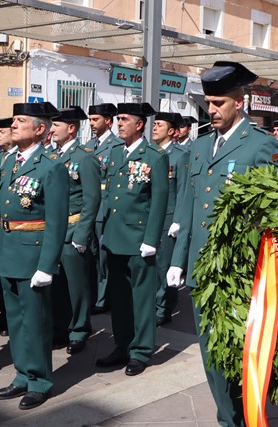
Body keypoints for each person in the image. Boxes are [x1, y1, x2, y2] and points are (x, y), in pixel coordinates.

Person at [167, 61, 278, 427]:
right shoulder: (200, 148)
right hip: (204, 272)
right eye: (208, 103)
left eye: (219, 103)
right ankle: (227, 419)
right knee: (211, 357)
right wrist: (177, 259)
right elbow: (187, 204)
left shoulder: (262, 147)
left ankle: (243, 418)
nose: (211, 111)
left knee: (240, 357)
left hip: (241, 273)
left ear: (240, 101)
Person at [0, 102, 69, 410]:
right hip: (9, 252)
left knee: (35, 322)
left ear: (40, 129)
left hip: (33, 255)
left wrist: (47, 265)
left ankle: (40, 381)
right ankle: (23, 374)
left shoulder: (52, 166)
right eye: (13, 120)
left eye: (20, 120)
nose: (13, 125)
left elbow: (57, 219)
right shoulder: (10, 162)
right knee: (16, 321)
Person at [96, 102, 168, 376]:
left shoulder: (154, 156)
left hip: (139, 240)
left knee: (141, 298)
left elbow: (159, 201)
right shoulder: (115, 153)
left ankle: (141, 351)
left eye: (124, 119)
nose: (118, 123)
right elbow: (111, 196)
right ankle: (122, 345)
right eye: (117, 119)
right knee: (120, 297)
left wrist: (151, 240)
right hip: (115, 238)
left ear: (139, 124)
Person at [50, 106, 101, 353]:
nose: (51, 130)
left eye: (56, 126)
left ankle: (79, 329)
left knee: (77, 286)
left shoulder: (84, 157)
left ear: (71, 129)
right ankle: (59, 328)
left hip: (73, 230)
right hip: (53, 232)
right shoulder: (52, 156)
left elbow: (92, 199)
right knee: (56, 285)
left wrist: (82, 234)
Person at [150, 112, 189, 327]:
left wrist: (179, 220)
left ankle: (163, 307)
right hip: (151, 217)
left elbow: (183, 190)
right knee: (151, 265)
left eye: (159, 125)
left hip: (168, 218)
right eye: (154, 124)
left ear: (172, 131)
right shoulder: (151, 153)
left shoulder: (180, 156)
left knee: (164, 265)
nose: (154, 128)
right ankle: (153, 303)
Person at [85, 103, 122, 315]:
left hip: (105, 207)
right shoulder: (89, 145)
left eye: (95, 119)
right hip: (90, 207)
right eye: (90, 119)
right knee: (90, 254)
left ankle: (102, 298)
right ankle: (94, 294)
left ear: (108, 121)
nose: (91, 123)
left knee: (103, 256)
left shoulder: (116, 146)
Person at [0, 117, 16, 336]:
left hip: (16, 228)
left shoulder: (16, 159)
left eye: (2, 132)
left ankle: (9, 316)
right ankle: (3, 312)